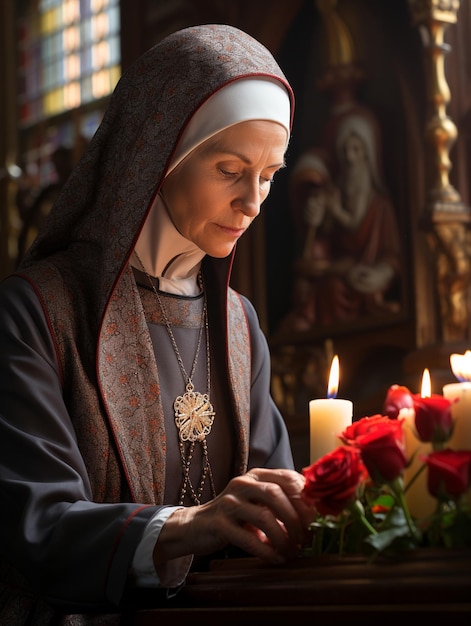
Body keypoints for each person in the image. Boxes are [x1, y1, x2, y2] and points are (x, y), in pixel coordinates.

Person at [0, 24, 315, 624]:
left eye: (269, 174)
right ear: (158, 156)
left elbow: (273, 496)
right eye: (230, 169)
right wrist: (188, 527)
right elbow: (33, 523)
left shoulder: (239, 325)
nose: (253, 201)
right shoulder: (37, 312)